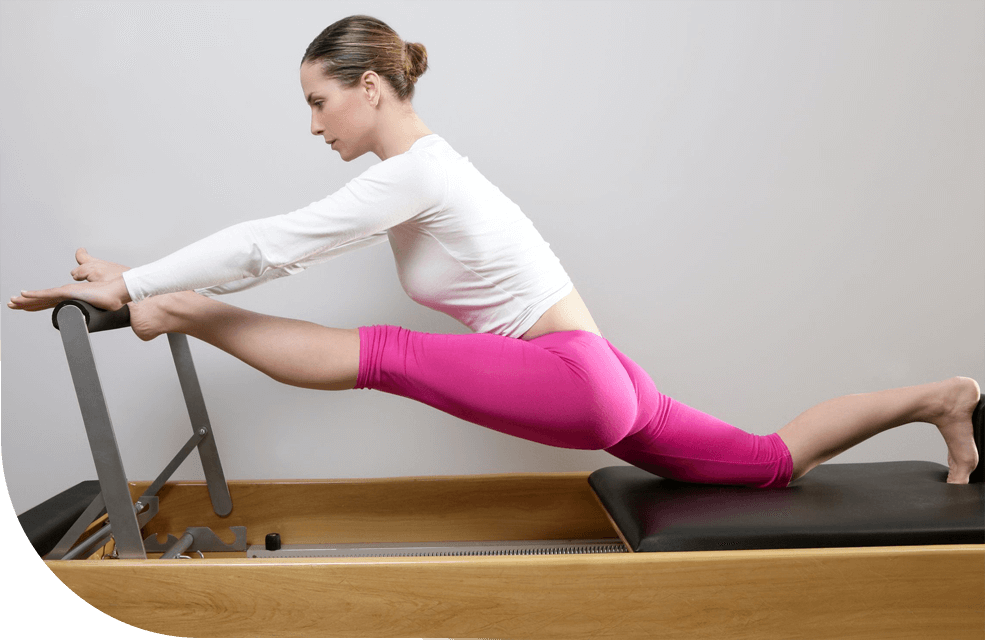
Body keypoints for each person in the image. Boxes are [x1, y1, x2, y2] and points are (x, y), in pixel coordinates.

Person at [8, 15, 981, 487]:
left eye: (317, 101)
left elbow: (272, 244)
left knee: (381, 355)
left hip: (572, 373)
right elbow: (278, 244)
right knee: (770, 461)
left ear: (369, 91)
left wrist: (139, 281)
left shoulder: (417, 172)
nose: (311, 124)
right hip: (604, 375)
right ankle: (943, 398)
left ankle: (168, 309)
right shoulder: (424, 176)